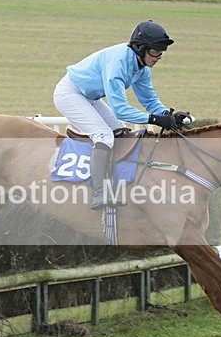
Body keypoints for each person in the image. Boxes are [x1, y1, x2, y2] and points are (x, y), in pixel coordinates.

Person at [53, 20, 192, 210]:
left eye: (162, 52)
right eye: (155, 51)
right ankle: (99, 193)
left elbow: (150, 100)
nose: (159, 57)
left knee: (121, 133)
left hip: (90, 97)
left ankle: (117, 185)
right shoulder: (118, 63)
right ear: (140, 48)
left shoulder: (142, 68)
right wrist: (154, 119)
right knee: (104, 135)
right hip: (70, 94)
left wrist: (167, 114)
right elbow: (120, 109)